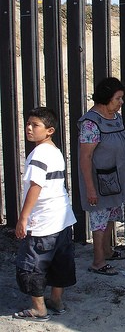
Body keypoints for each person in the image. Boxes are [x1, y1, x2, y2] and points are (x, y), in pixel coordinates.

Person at [78, 77, 125, 276]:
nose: (121, 102)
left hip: (116, 179)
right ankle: (98, 262)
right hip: (100, 182)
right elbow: (86, 157)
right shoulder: (91, 123)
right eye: (118, 98)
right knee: (99, 220)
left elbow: (120, 140)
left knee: (111, 216)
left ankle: (108, 252)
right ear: (105, 98)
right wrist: (90, 188)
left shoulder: (115, 117)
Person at [13, 107, 77, 322]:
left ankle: (39, 309)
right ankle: (56, 301)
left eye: (35, 125)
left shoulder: (39, 153)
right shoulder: (54, 151)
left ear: (49, 130)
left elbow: (35, 186)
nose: (29, 128)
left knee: (32, 265)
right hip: (62, 219)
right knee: (60, 262)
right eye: (28, 123)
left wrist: (23, 218)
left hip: (43, 221)